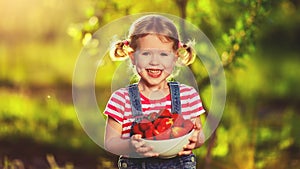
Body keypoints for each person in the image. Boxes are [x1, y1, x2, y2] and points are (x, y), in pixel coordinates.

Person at [103, 14, 205, 169]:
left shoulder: (188, 96)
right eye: (146, 53)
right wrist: (130, 146)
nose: (155, 61)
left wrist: (194, 140)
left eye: (163, 54)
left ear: (175, 57)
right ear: (132, 56)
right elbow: (110, 142)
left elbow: (199, 136)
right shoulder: (121, 99)